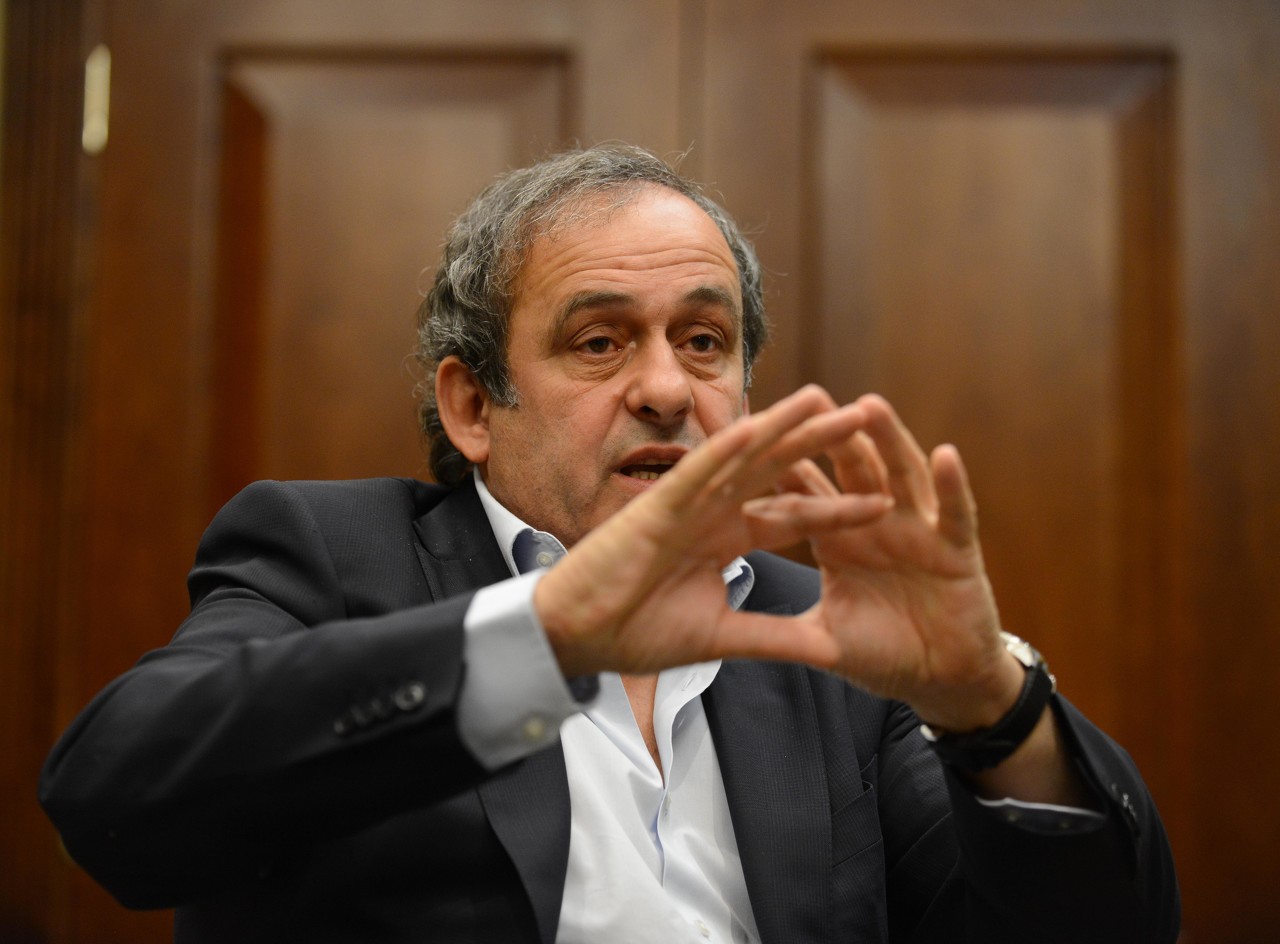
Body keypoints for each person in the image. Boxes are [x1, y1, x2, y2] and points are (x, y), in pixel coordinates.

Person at [40, 144, 1179, 943]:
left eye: (704, 341)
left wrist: (986, 703)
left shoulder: (827, 632)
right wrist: (547, 637)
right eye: (599, 342)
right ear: (472, 406)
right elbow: (116, 797)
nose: (666, 390)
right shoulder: (332, 559)